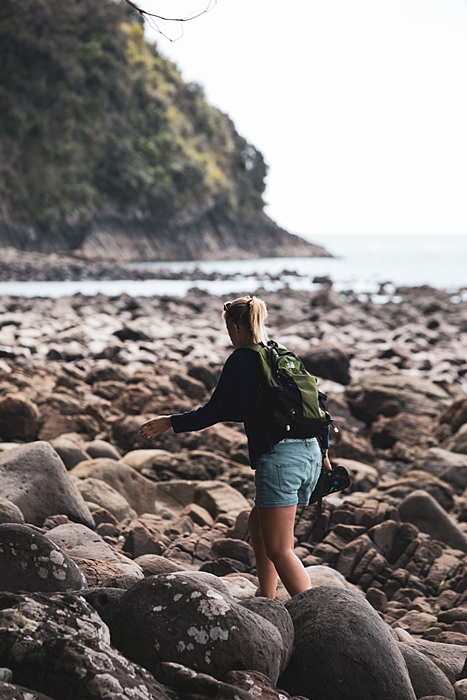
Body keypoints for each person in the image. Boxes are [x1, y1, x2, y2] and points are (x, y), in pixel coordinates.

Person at [138, 295, 331, 599]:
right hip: (311, 453)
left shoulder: (243, 358)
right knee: (258, 523)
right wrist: (325, 451)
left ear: (236, 326)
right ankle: (265, 596)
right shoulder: (278, 354)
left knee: (281, 549)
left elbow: (214, 411)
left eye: (228, 328)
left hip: (283, 459)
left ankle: (317, 611)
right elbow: (316, 405)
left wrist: (170, 422)